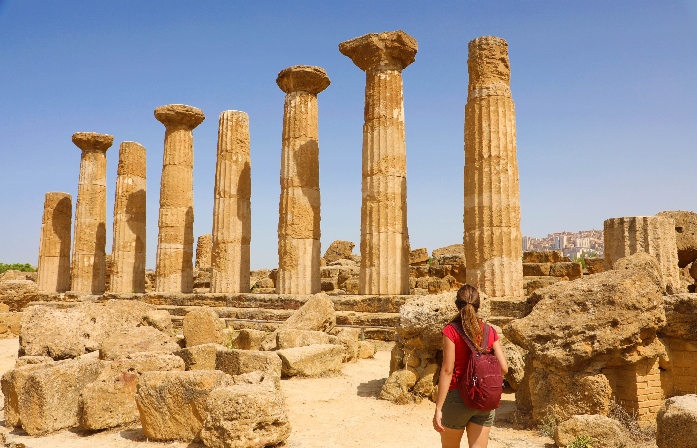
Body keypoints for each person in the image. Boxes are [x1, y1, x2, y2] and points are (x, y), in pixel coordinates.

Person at [433, 284, 508, 448]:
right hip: (484, 398)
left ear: (456, 305)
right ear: (478, 305)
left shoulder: (450, 331)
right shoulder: (490, 331)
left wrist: (438, 408)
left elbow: (447, 370)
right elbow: (504, 368)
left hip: (457, 398)